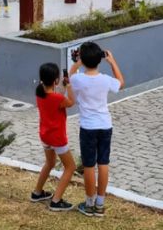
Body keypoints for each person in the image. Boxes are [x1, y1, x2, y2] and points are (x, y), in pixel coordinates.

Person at [69, 42, 125, 217]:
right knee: (103, 163)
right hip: (105, 125)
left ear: (83, 59)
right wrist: (112, 61)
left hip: (88, 127)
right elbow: (121, 83)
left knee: (88, 165)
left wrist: (77, 63)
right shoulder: (106, 80)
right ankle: (100, 204)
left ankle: (89, 203)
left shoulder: (78, 79)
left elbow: (69, 77)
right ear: (100, 59)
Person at [30, 62, 76, 212]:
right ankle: (56, 201)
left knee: (49, 163)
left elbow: (53, 94)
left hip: (45, 136)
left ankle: (37, 193)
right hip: (57, 138)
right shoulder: (57, 98)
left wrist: (60, 86)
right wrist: (69, 86)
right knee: (70, 167)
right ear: (56, 80)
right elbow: (71, 102)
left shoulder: (39, 92)